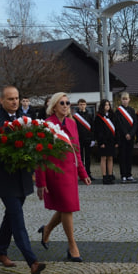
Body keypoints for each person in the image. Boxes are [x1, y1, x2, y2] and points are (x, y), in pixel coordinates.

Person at [0, 85, 46, 274]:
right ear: (1, 100)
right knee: (17, 219)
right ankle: (32, 261)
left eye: (17, 98)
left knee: (10, 216)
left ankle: (0, 252)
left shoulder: (26, 121)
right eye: (10, 99)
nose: (15, 102)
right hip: (6, 179)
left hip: (23, 177)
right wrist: (10, 155)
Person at [35, 92, 91, 262]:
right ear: (53, 106)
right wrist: (41, 182)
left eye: (68, 103)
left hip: (71, 172)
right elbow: (40, 155)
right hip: (55, 173)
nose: (66, 106)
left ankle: (47, 230)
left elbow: (77, 151)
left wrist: (83, 173)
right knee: (67, 208)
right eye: (62, 103)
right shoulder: (47, 125)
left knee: (65, 206)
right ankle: (73, 246)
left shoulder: (72, 124)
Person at [114, 92, 138, 183]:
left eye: (126, 99)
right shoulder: (118, 111)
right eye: (123, 99)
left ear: (129, 99)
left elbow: (135, 123)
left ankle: (129, 174)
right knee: (122, 156)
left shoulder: (132, 110)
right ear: (121, 100)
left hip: (130, 137)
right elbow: (119, 124)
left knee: (129, 156)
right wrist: (126, 133)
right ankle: (123, 175)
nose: (125, 100)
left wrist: (131, 134)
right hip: (122, 137)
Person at [93, 99, 118, 184]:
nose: (107, 106)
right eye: (105, 105)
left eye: (108, 105)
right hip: (103, 141)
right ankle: (104, 176)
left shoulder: (113, 115)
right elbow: (97, 131)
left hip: (111, 140)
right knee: (103, 158)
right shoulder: (98, 117)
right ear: (102, 106)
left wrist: (116, 141)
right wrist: (101, 142)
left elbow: (116, 128)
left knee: (110, 158)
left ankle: (110, 175)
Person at [72, 99, 94, 180]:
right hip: (79, 139)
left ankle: (88, 173)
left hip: (88, 139)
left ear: (86, 105)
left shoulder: (90, 115)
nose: (82, 106)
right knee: (80, 158)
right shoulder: (75, 116)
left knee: (88, 157)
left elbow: (92, 128)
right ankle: (81, 174)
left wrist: (93, 139)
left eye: (84, 104)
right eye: (80, 104)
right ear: (78, 105)